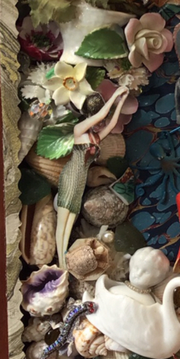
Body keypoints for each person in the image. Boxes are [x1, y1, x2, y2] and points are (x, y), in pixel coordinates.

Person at [56, 88, 130, 268]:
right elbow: (102, 115)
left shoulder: (95, 137)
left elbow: (111, 125)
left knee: (71, 217)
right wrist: (114, 95)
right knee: (63, 218)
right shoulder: (78, 130)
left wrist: (121, 101)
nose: (100, 121)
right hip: (71, 174)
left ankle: (64, 256)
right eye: (95, 118)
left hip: (81, 178)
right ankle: (61, 260)